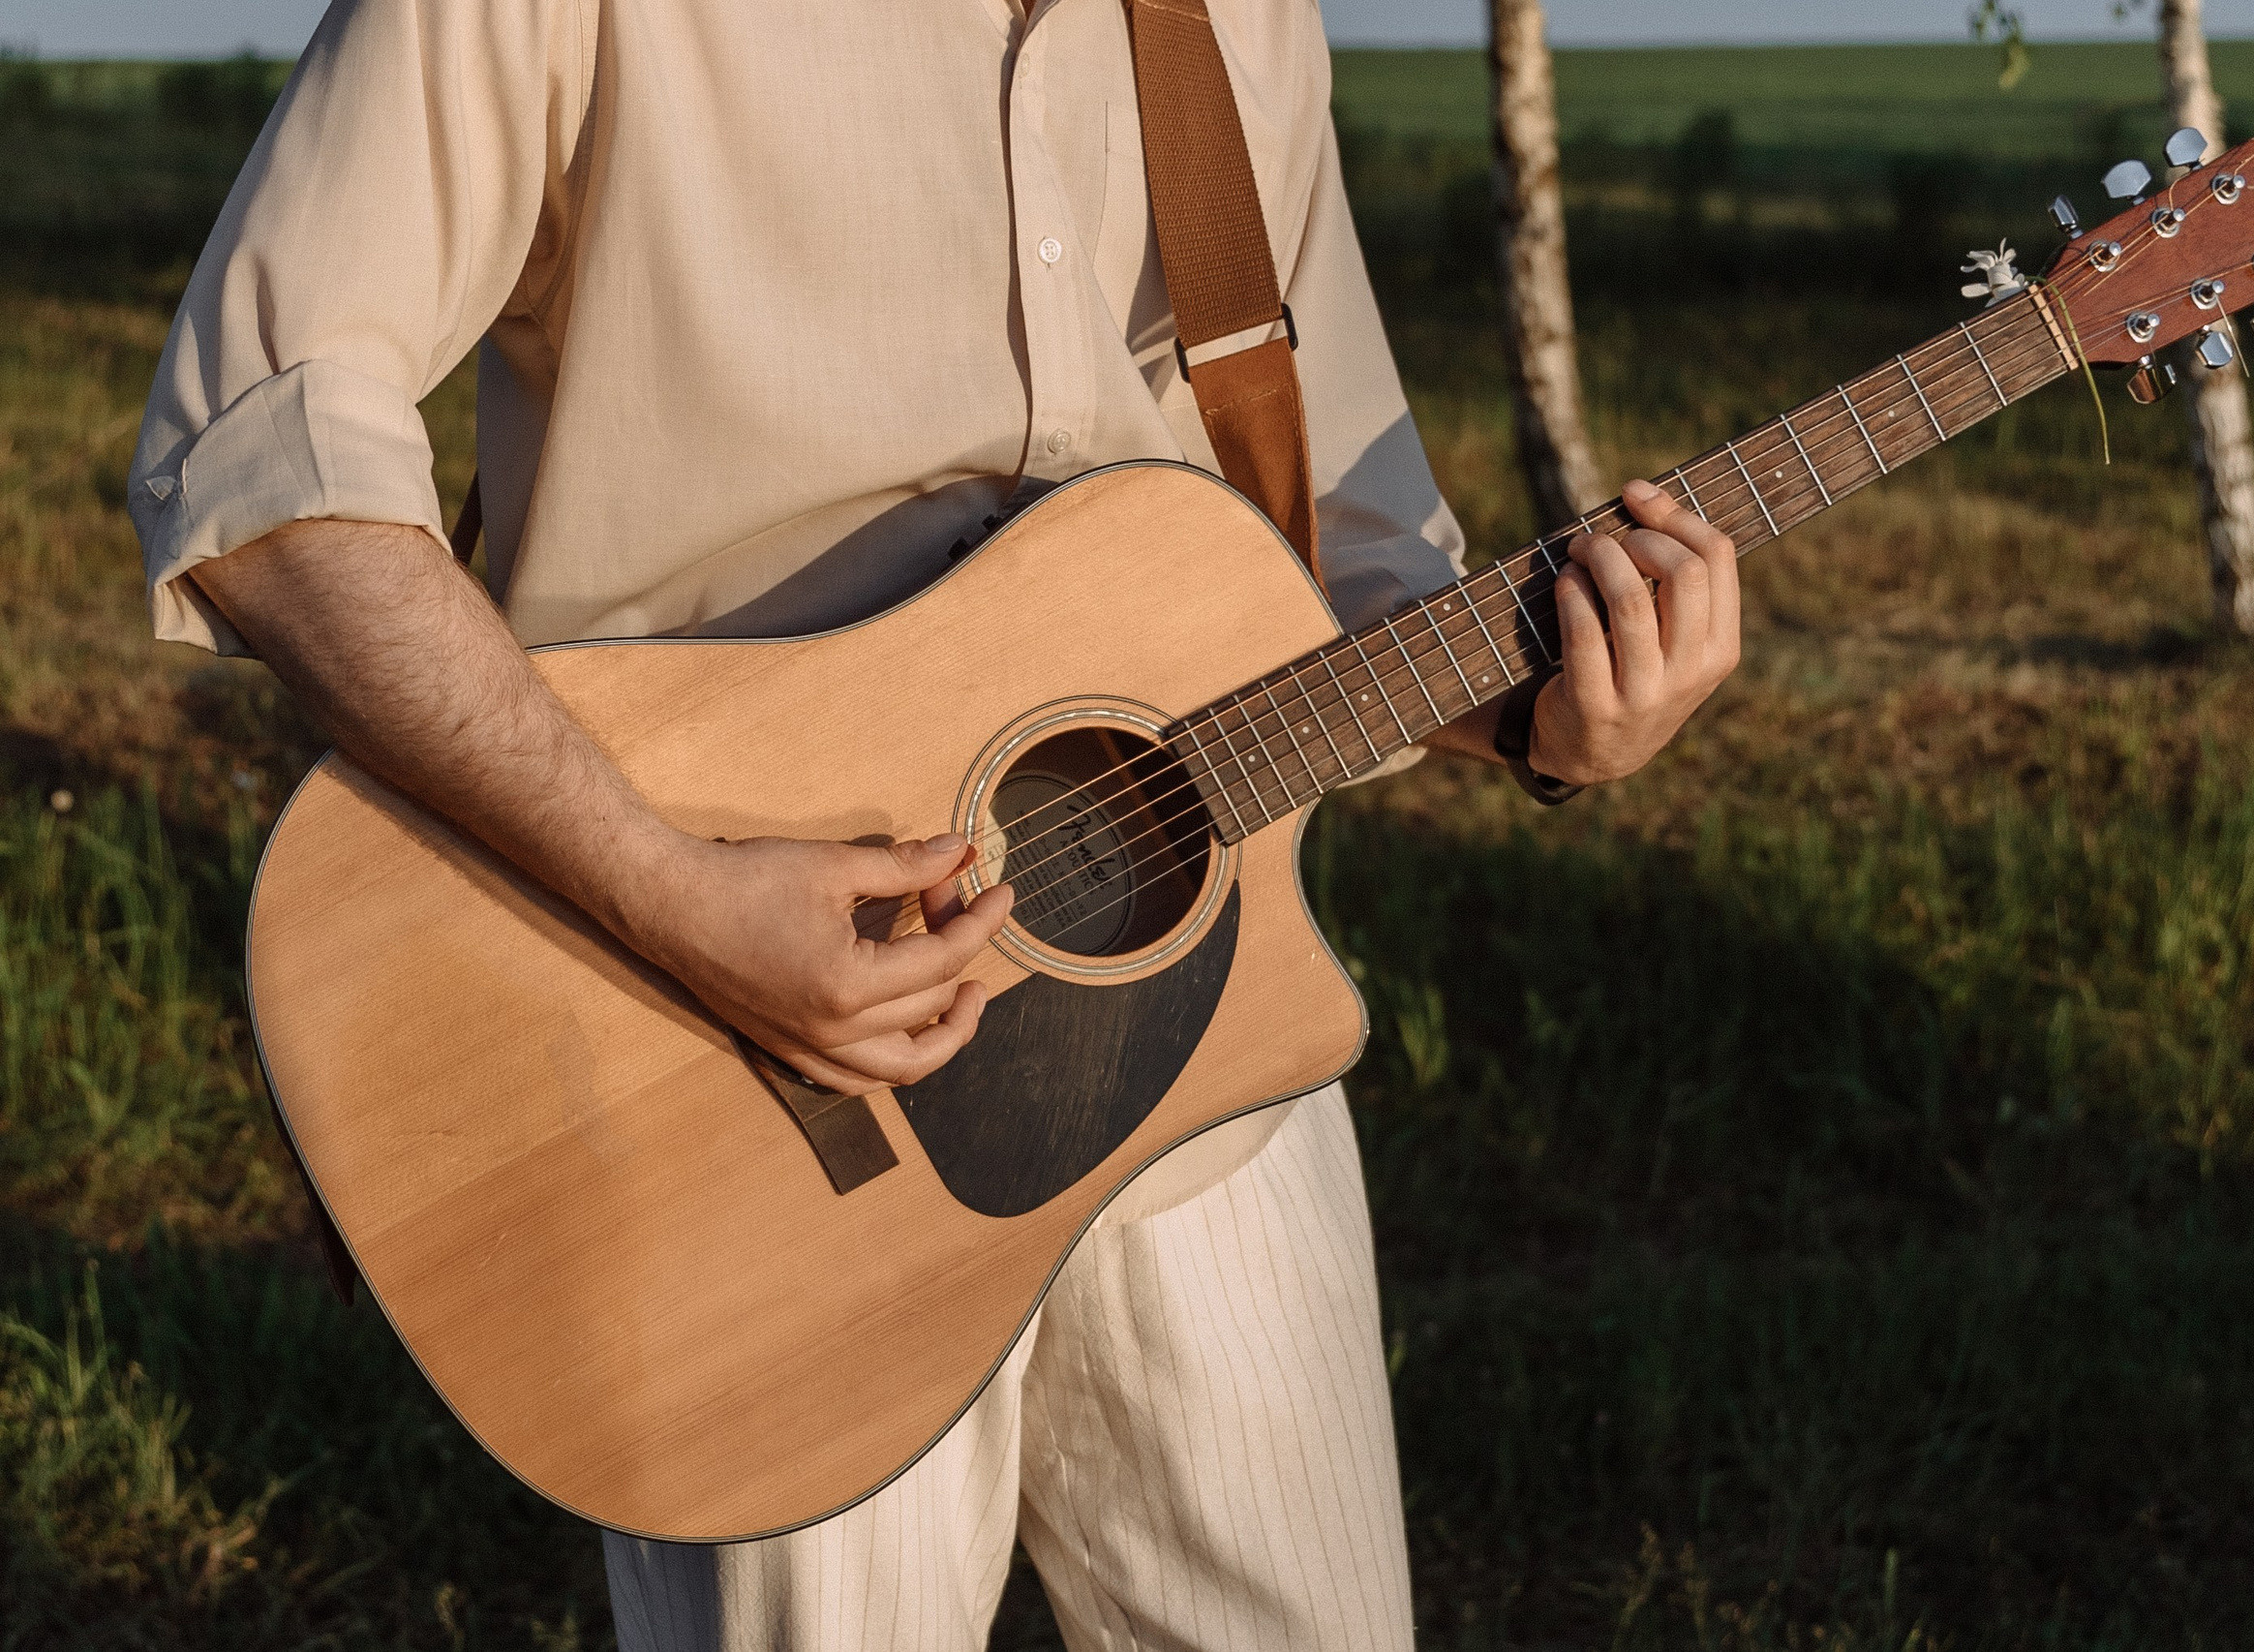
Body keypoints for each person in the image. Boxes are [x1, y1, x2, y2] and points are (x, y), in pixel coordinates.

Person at [128, 0, 1740, 1645]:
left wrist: (1539, 700)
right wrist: (670, 893)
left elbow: (1341, 552)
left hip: (1209, 1051)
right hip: (728, 1062)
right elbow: (264, 464)